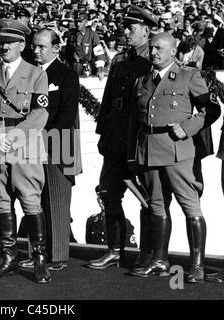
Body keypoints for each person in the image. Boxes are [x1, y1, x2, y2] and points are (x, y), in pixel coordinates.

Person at [127, 32, 220, 282]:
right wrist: (131, 154)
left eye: (159, 47)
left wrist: (188, 128)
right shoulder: (143, 80)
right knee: (156, 205)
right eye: (152, 47)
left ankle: (197, 265)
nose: (154, 52)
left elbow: (211, 109)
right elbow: (134, 121)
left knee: (189, 205)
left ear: (172, 50)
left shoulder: (189, 75)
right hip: (148, 148)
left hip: (177, 151)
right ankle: (159, 260)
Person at [0, 18, 51, 283]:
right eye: (1, 42)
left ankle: (40, 259)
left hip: (25, 145)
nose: (3, 47)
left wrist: (14, 137)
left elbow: (40, 114)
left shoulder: (36, 73)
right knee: (2, 201)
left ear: (22, 44)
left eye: (9, 42)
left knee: (30, 200)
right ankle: (8, 257)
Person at [88, 5, 158, 271]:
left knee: (146, 198)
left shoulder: (151, 61)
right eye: (125, 27)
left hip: (138, 140)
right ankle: (115, 251)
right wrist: (102, 133)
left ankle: (147, 253)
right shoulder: (119, 60)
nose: (125, 32)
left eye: (131, 28)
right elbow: (107, 100)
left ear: (147, 30)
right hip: (115, 136)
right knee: (108, 192)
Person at [18, 28, 81, 271]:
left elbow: (66, 115)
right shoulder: (29, 74)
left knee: (56, 201)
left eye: (42, 46)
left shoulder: (65, 75)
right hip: (30, 146)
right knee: (33, 201)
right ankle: (36, 253)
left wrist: (39, 137)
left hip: (59, 145)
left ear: (56, 48)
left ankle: (58, 256)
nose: (36, 50)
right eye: (34, 46)